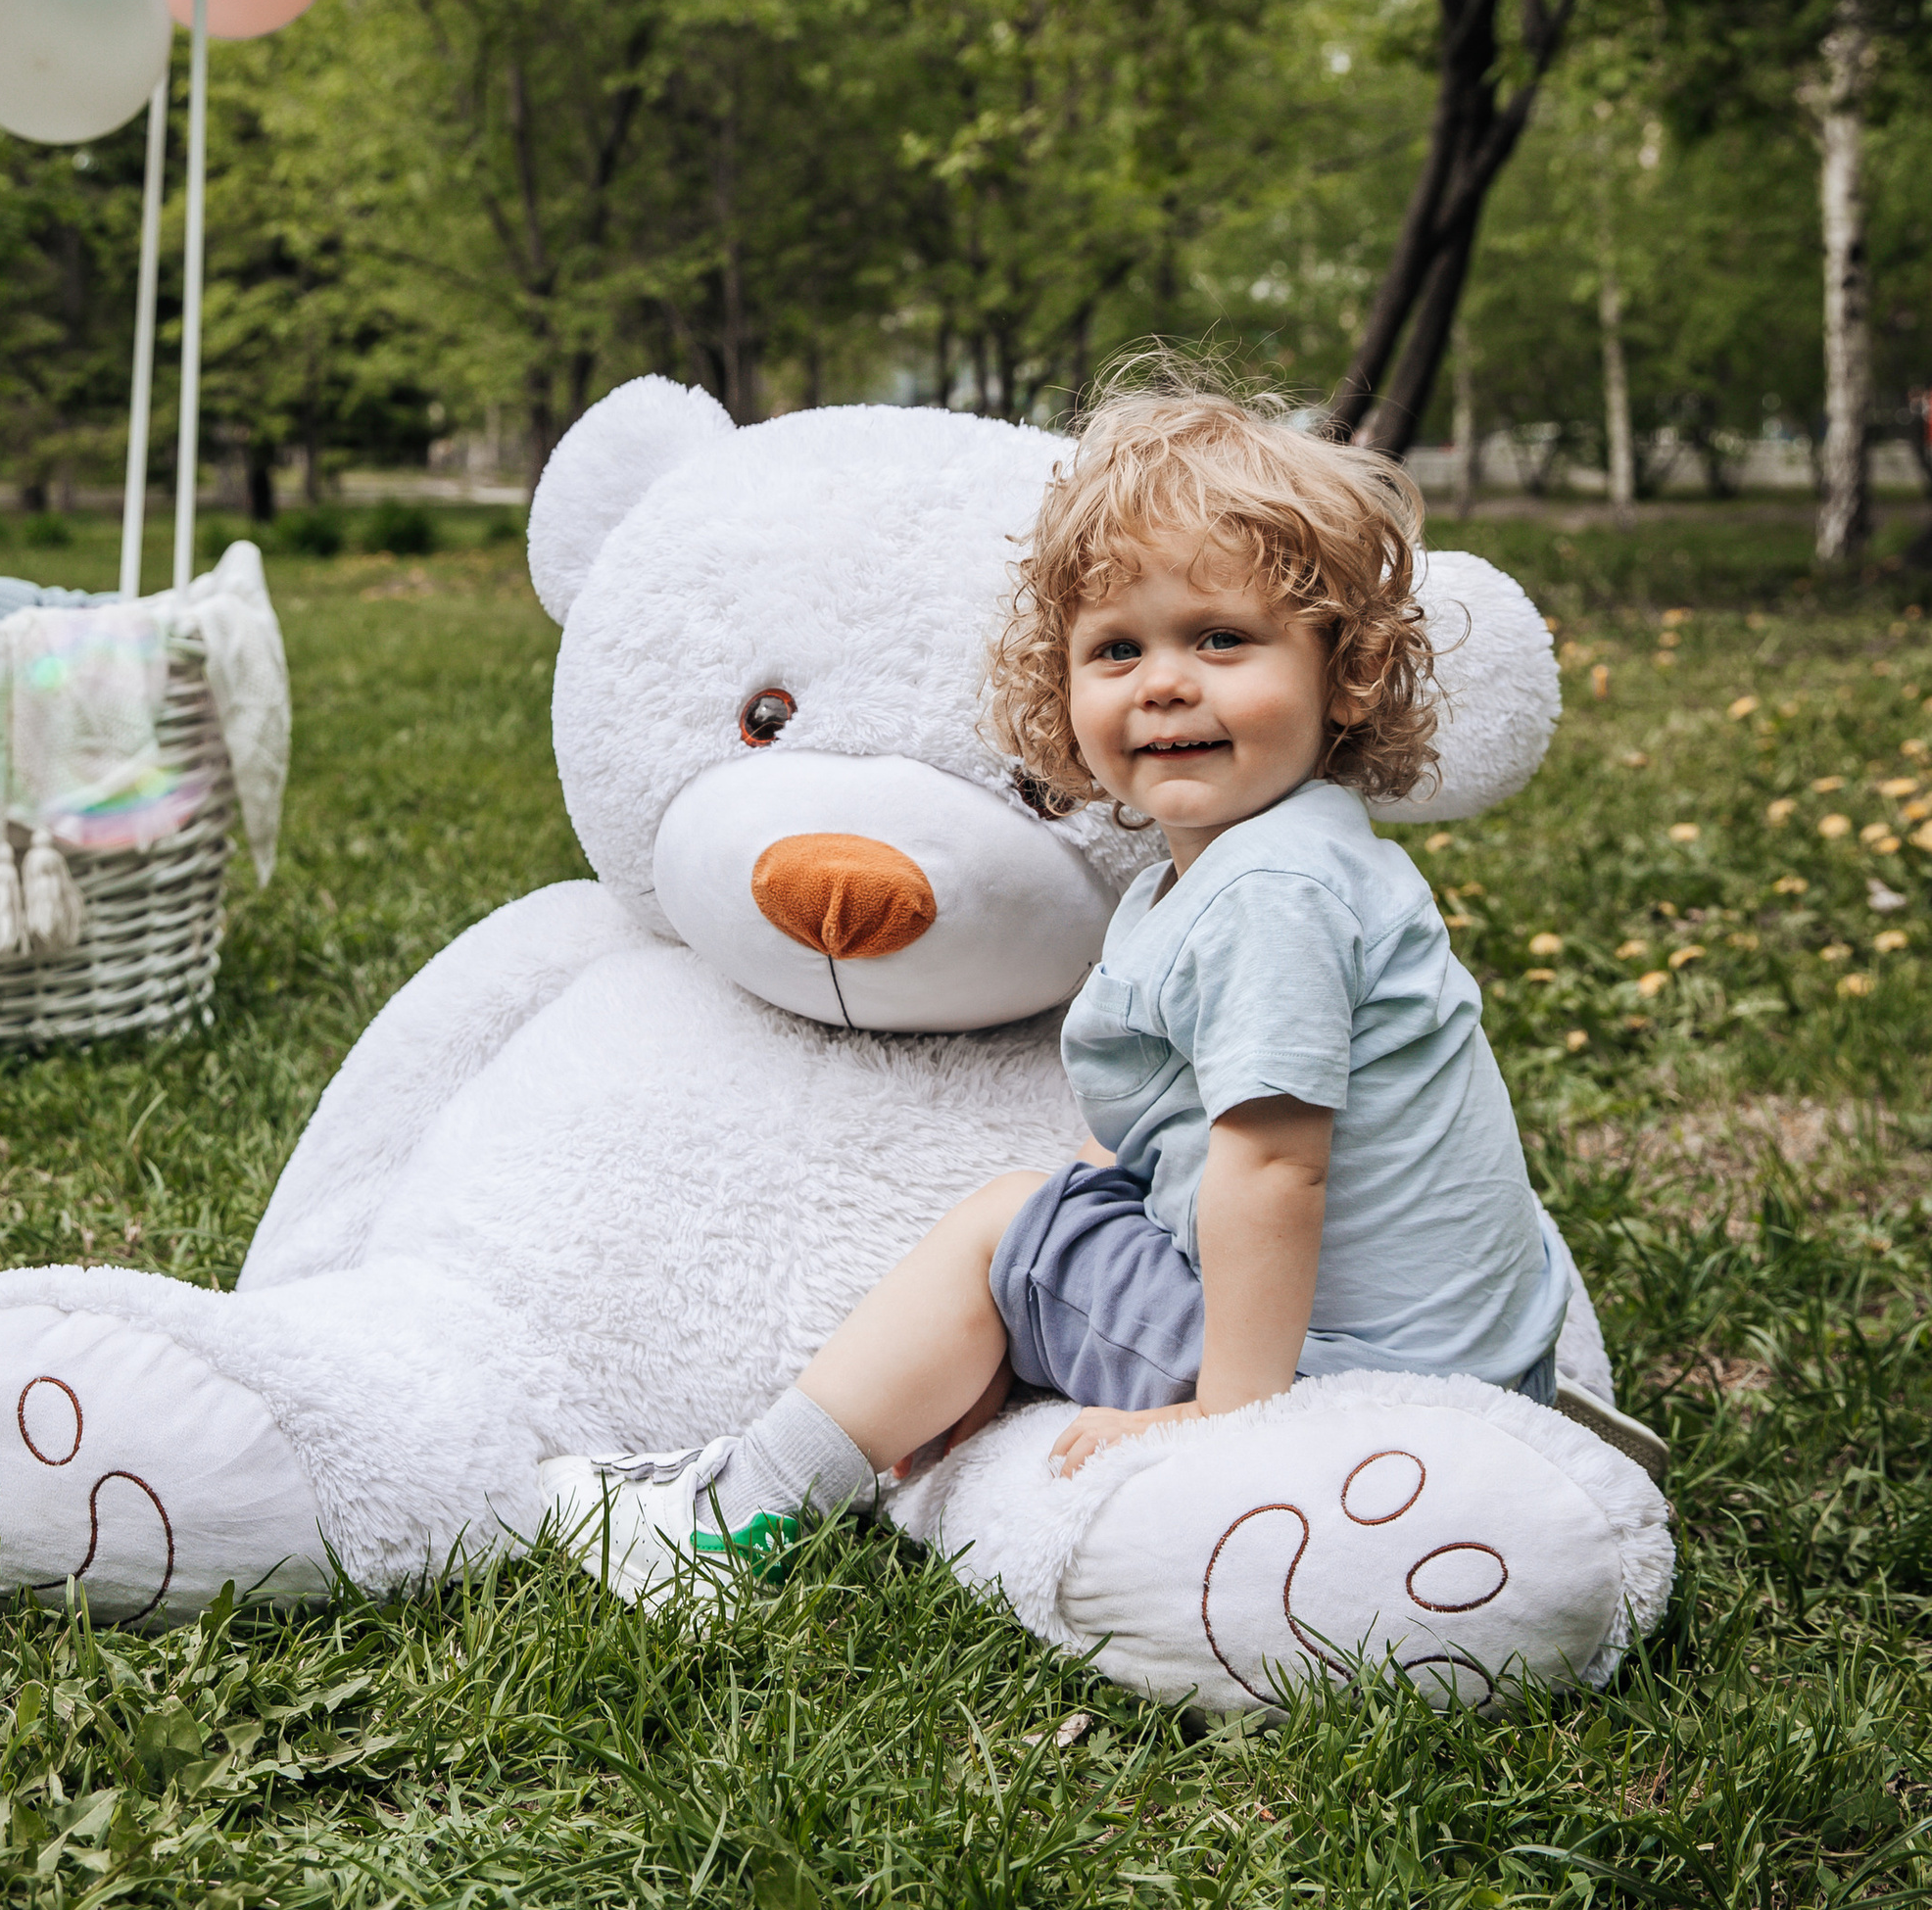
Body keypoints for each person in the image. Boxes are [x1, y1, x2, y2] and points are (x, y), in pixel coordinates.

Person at [545, 366, 1612, 1604]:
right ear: (1063, 686)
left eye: (1221, 637)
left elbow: (1277, 1168)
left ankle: (732, 1518)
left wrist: (1225, 1419)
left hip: (1346, 1376)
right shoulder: (1269, 863)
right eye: (1116, 648)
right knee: (1073, 1211)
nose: (1163, 680)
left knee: (1011, 1227)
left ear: (1347, 671)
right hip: (1447, 1353)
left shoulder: (1271, 895)